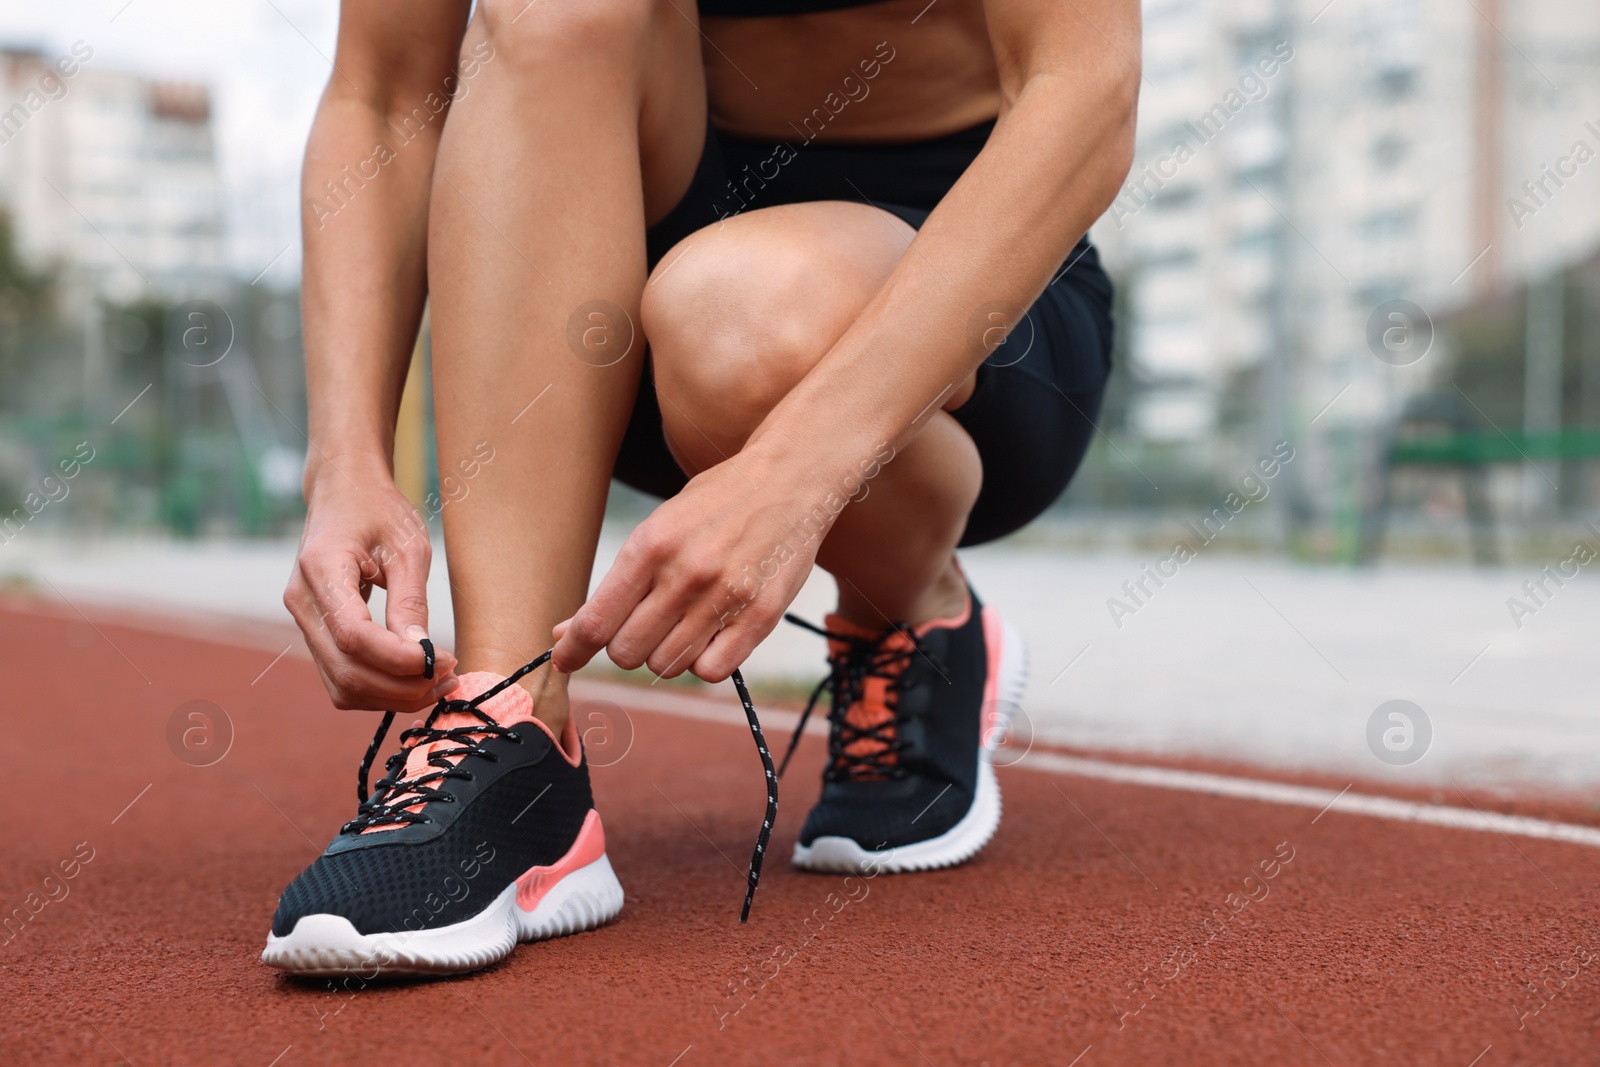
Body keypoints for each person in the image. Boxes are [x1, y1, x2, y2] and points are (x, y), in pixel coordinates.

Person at [262, 0, 1137, 976]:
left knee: (739, 322)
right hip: (620, 297)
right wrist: (344, 461)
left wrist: (791, 470)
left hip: (978, 290)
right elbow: (382, 96)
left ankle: (912, 606)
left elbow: (1083, 89)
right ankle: (514, 729)